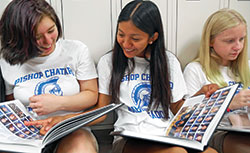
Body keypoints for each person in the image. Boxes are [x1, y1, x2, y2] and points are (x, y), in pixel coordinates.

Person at [26, 1, 218, 153]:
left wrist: (200, 96)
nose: (126, 43)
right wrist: (65, 119)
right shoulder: (109, 62)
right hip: (130, 139)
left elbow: (177, 108)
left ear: (153, 37)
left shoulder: (169, 61)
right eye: (121, 34)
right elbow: (101, 111)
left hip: (168, 135)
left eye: (135, 38)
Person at [0, 0, 98, 153]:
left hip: (70, 130)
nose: (47, 42)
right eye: (37, 37)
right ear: (19, 38)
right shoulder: (8, 63)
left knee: (80, 146)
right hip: (29, 137)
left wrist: (59, 103)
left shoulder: (76, 50)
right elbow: (11, 107)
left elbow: (92, 95)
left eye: (51, 30)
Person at [183, 8, 250, 153]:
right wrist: (228, 104)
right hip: (216, 134)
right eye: (230, 41)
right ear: (211, 41)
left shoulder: (248, 67)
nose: (238, 47)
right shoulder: (195, 70)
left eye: (242, 39)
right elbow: (186, 120)